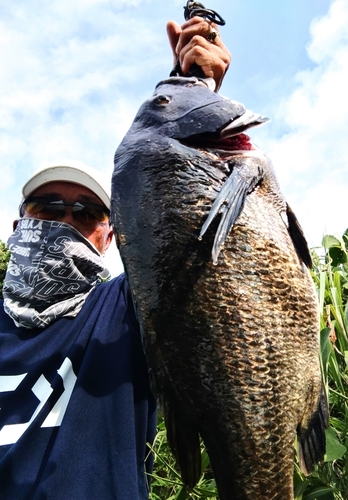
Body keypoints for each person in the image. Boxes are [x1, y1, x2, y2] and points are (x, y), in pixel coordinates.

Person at [0, 18, 230, 500]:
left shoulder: (129, 308)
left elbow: (191, 240)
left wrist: (192, 91)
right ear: (19, 225)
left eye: (84, 212)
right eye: (49, 208)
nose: (65, 220)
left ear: (110, 235)